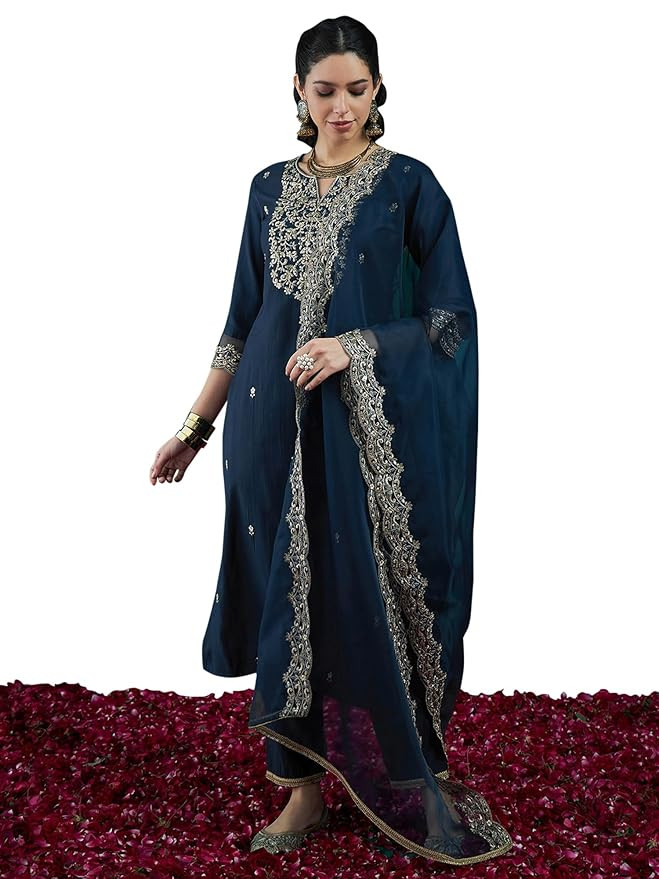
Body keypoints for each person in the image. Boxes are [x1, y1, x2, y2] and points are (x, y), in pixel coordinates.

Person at [149, 15, 514, 867]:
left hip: (364, 436)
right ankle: (301, 791)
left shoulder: (410, 187)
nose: (340, 106)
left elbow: (451, 322)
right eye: (323, 91)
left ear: (378, 88)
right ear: (296, 90)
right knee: (288, 600)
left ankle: (403, 772)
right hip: (268, 428)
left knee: (366, 598)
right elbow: (242, 321)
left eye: (355, 89)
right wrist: (194, 426)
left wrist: (355, 346)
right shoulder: (266, 188)